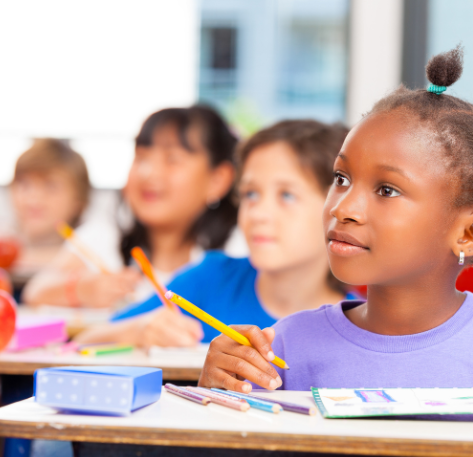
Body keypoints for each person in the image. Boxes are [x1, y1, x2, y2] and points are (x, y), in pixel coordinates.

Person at [198, 46, 473, 394]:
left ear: (470, 233)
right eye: (341, 179)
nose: (342, 207)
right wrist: (215, 397)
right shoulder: (282, 347)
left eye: (386, 190)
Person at [75, 120, 354, 349]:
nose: (257, 213)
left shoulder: (362, 318)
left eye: (287, 195)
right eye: (251, 194)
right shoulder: (211, 278)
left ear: (337, 208)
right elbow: (84, 343)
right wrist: (139, 331)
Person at [23, 106, 238, 329]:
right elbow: (35, 292)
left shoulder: (237, 250)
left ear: (218, 179)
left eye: (172, 159)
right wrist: (82, 289)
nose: (148, 173)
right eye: (141, 158)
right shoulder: (108, 234)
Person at [2, 139, 90, 292]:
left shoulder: (89, 243)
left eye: (50, 186)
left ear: (78, 201)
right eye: (24, 184)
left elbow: (80, 260)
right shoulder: (6, 233)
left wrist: (16, 258)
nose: (33, 197)